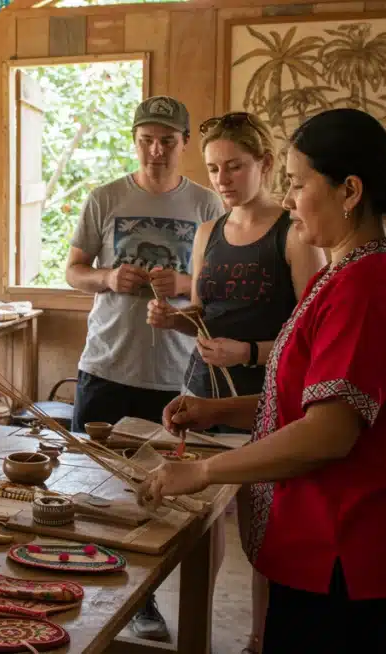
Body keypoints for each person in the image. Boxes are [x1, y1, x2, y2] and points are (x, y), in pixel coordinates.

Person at [143, 108, 386, 654]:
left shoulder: (366, 288)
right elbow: (314, 401)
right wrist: (217, 412)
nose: (287, 200)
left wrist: (205, 471)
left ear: (349, 190)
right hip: (340, 546)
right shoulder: (351, 274)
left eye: (299, 185)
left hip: (349, 551)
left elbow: (329, 433)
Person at [146, 111, 326, 653]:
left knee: (264, 525)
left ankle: (258, 637)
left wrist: (250, 350)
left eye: (234, 167)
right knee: (205, 512)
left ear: (266, 165)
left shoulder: (294, 235)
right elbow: (205, 307)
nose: (222, 180)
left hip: (268, 398)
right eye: (214, 169)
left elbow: (315, 335)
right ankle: (199, 621)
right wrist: (175, 316)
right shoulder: (208, 232)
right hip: (204, 389)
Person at [65, 95, 226, 640]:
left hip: (180, 373)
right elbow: (73, 271)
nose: (156, 150)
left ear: (185, 144)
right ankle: (87, 589)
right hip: (106, 363)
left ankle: (145, 599)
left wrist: (183, 286)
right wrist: (108, 279)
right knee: (92, 485)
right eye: (146, 140)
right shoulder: (104, 197)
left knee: (163, 492)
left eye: (167, 140)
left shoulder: (208, 205)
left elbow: (221, 288)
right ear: (134, 141)